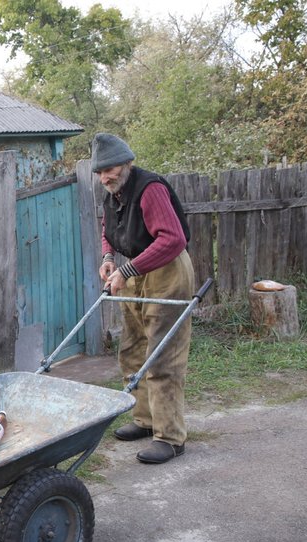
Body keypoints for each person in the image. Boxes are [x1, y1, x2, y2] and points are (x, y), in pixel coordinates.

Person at [91, 133, 196, 464]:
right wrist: (109, 258)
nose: (104, 176)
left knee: (161, 355)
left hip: (166, 272)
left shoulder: (150, 190)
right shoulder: (113, 195)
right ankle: (145, 419)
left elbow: (173, 239)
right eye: (99, 172)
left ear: (126, 163)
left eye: (109, 169)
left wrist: (128, 269)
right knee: (133, 350)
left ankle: (170, 437)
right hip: (134, 272)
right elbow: (109, 232)